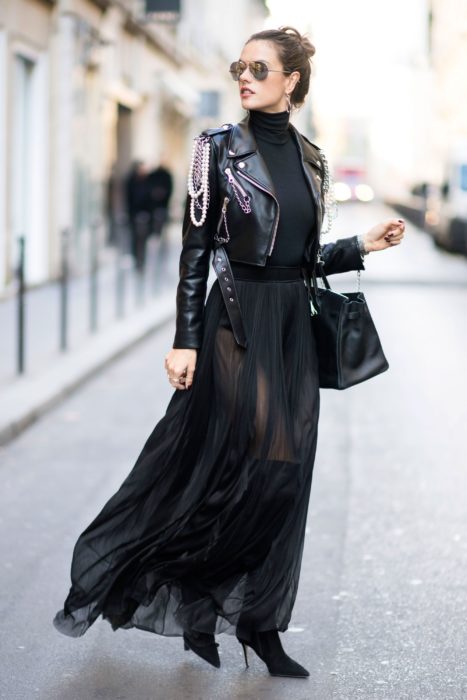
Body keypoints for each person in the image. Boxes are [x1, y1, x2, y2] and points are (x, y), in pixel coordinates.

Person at [53, 27, 405, 679]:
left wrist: (360, 246)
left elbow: (300, 261)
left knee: (281, 480)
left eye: (258, 67)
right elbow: (194, 253)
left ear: (290, 81)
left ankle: (251, 618)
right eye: (238, 65)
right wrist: (185, 338)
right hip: (233, 325)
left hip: (289, 330)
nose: (243, 75)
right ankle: (181, 583)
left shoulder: (311, 157)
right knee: (229, 472)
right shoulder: (217, 150)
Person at [125, 160, 152, 271]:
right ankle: (136, 259)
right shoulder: (131, 180)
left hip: (145, 214)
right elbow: (129, 198)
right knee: (135, 238)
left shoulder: (148, 180)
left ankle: (142, 260)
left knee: (143, 239)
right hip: (134, 214)